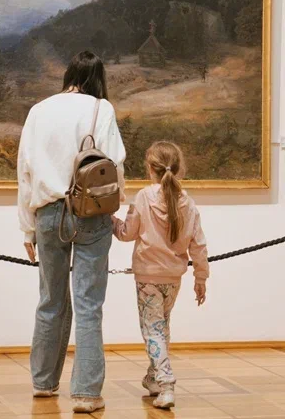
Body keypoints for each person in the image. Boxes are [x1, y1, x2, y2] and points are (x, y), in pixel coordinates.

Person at [18, 50, 126, 414]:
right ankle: (86, 394)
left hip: (48, 213)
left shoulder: (38, 110)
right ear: (98, 79)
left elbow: (25, 173)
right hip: (91, 213)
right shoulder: (101, 108)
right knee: (88, 305)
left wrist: (27, 229)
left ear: (69, 76)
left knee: (50, 300)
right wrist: (117, 206)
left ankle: (43, 382)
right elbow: (114, 164)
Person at [112, 141, 209, 410]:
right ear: (179, 168)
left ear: (150, 168)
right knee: (161, 327)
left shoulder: (144, 197)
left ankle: (166, 384)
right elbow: (199, 245)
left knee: (152, 330)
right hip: (173, 278)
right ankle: (153, 378)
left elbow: (126, 233)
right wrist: (201, 277)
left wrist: (110, 220)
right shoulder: (187, 202)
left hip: (148, 278)